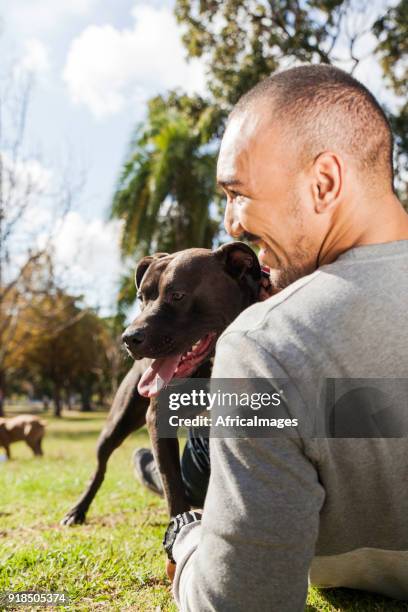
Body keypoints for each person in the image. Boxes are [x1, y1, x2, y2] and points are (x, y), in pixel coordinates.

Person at [134, 64, 408, 610]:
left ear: (324, 182)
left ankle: (157, 473)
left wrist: (187, 539)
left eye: (238, 193)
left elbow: (240, 600)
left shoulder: (266, 342)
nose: (232, 222)